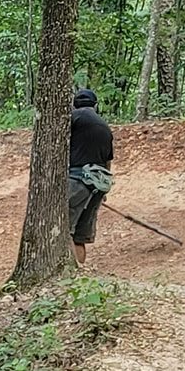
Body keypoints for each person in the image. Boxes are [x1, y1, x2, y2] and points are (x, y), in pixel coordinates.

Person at [67, 88, 115, 267]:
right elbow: (107, 162)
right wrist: (103, 192)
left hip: (77, 180)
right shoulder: (105, 127)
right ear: (95, 105)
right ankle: (81, 275)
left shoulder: (73, 118)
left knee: (65, 230)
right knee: (80, 237)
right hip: (98, 185)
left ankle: (70, 274)